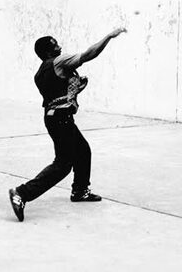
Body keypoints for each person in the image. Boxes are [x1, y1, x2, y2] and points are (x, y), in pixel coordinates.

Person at [8, 27, 127, 222]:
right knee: (63, 164)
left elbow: (56, 92)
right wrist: (108, 37)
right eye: (56, 45)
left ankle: (80, 191)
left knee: (83, 151)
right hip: (61, 119)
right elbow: (89, 54)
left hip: (53, 118)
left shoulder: (40, 73)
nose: (60, 46)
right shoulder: (59, 62)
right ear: (48, 51)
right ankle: (22, 193)